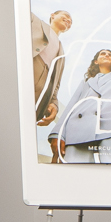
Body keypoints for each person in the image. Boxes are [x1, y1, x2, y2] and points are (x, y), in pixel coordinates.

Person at [53, 48, 111, 163]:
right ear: (96, 61)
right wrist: (58, 134)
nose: (107, 55)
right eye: (103, 53)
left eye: (110, 55)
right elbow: (71, 107)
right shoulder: (86, 82)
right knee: (74, 175)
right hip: (78, 130)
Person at [31, 9, 71, 156]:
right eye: (65, 16)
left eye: (70, 21)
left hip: (41, 93)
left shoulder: (62, 52)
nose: (68, 20)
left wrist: (53, 103)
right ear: (52, 16)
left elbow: (57, 82)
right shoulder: (35, 22)